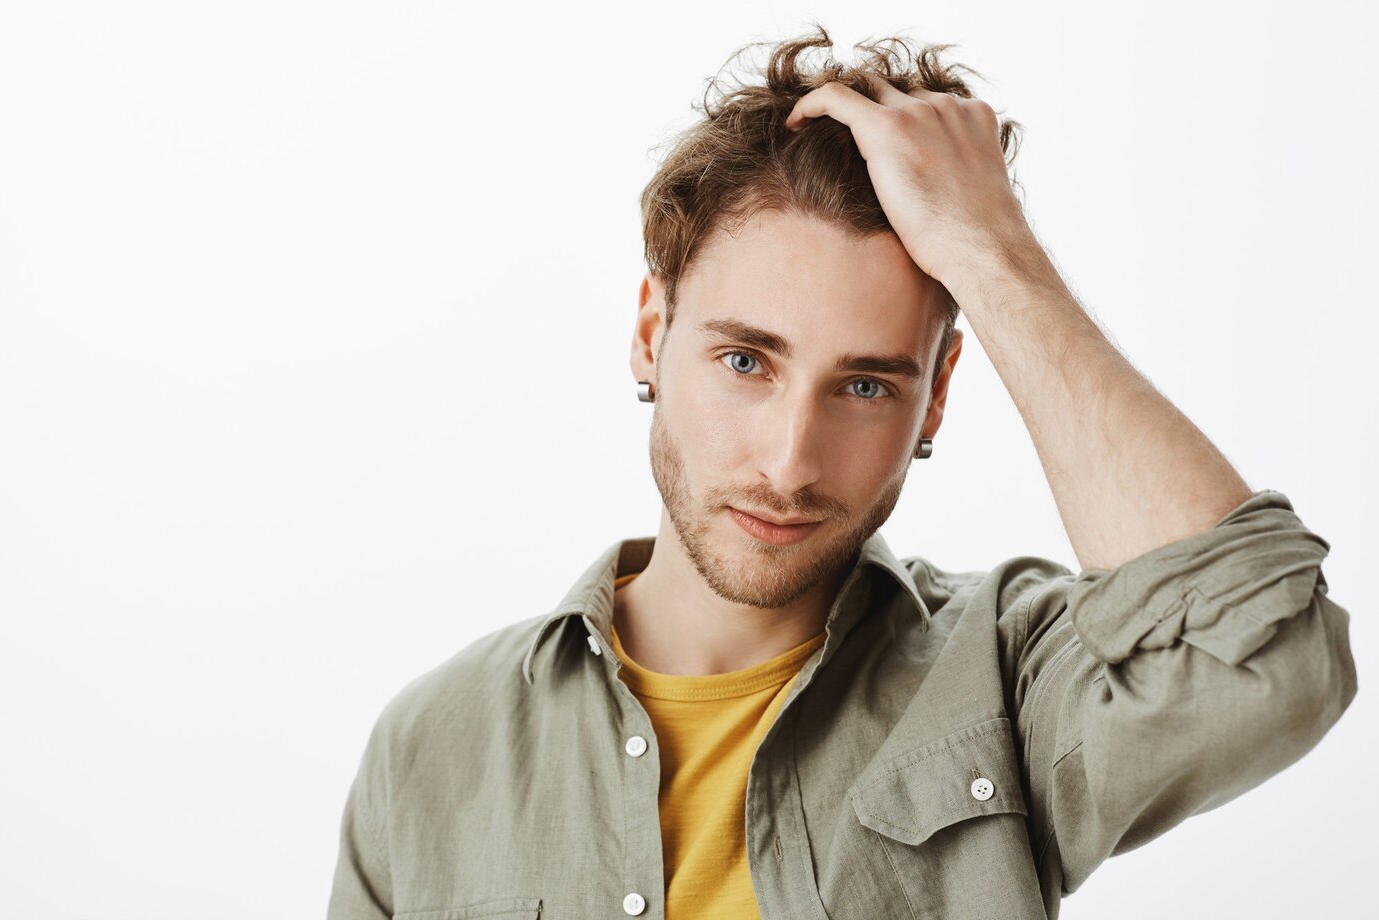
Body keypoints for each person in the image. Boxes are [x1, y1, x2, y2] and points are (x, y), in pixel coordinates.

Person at [327, 25, 1357, 920]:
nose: (790, 461)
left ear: (936, 396)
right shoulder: (433, 749)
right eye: (745, 361)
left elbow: (1268, 656)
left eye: (865, 385)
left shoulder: (1006, 679)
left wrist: (990, 251)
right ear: (651, 332)